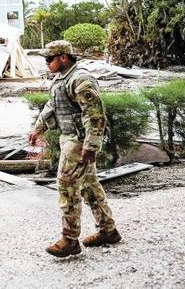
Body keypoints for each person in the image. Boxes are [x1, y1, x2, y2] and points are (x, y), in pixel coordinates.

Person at [28, 40, 121, 258]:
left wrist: (91, 144)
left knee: (67, 188)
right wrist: (37, 128)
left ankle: (69, 240)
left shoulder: (81, 79)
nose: (46, 63)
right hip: (68, 139)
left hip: (78, 143)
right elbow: (52, 106)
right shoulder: (61, 79)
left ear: (63, 57)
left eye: (49, 59)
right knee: (89, 186)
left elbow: (94, 114)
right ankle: (108, 230)